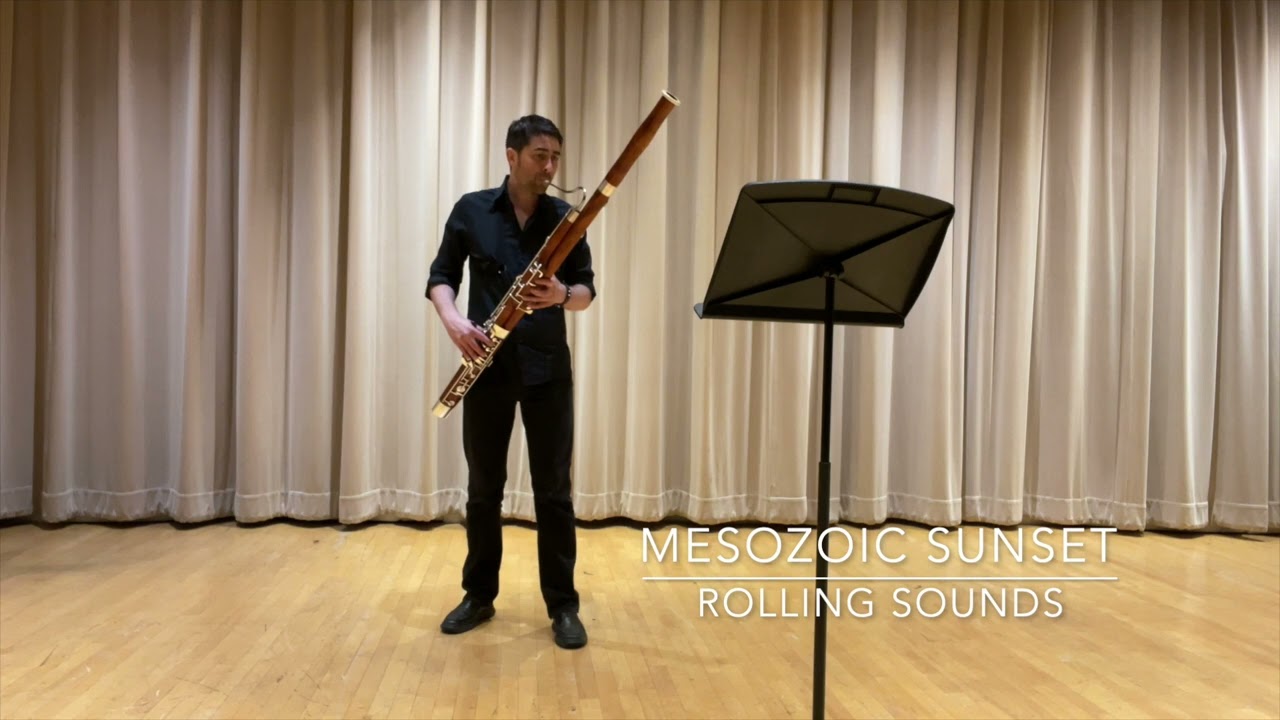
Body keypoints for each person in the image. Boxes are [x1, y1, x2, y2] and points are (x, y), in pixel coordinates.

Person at [425, 114, 595, 650]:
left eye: (556, 157)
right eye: (541, 156)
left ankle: (563, 606)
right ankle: (478, 596)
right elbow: (440, 277)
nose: (550, 167)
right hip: (488, 369)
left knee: (554, 493)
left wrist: (561, 296)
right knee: (483, 490)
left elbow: (587, 291)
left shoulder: (566, 219)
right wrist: (454, 322)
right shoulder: (471, 210)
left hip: (548, 371)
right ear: (512, 156)